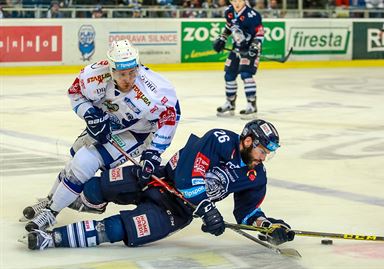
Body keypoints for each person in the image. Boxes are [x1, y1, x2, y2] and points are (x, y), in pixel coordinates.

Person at [23, 119, 295, 251]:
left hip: (175, 211)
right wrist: (206, 207)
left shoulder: (256, 176)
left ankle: (54, 238)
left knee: (119, 228)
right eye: (262, 150)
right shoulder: (220, 140)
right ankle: (50, 206)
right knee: (96, 187)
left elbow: (247, 213)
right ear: (248, 141)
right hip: (158, 178)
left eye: (268, 152)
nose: (264, 157)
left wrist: (268, 227)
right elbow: (189, 174)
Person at [22, 39, 181, 233]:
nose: (128, 79)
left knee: (84, 161)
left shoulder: (155, 89)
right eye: (122, 74)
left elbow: (170, 117)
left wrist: (154, 151)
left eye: (132, 73)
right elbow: (75, 94)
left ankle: (51, 213)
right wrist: (90, 114)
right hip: (108, 122)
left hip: (137, 133)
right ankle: (50, 200)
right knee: (74, 158)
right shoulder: (94, 75)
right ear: (111, 69)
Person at [213, 0, 264, 117]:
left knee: (246, 74)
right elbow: (229, 26)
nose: (237, 3)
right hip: (237, 48)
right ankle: (230, 102)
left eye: (239, 0)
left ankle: (251, 104)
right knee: (229, 75)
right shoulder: (229, 12)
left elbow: (260, 33)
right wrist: (223, 38)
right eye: (234, 0)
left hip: (251, 49)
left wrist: (255, 46)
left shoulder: (253, 15)